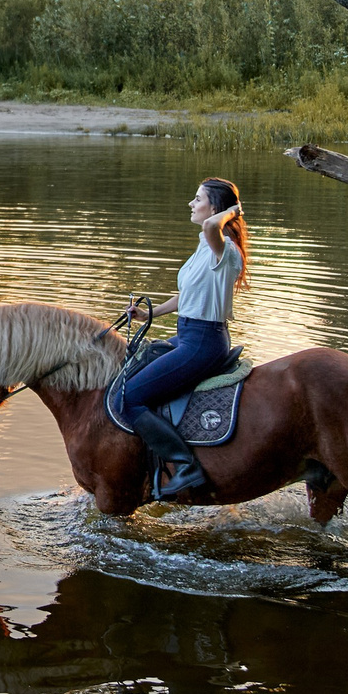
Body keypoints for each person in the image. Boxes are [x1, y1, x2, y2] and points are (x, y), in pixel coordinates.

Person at [117, 176, 250, 479]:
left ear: (215, 208)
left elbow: (210, 226)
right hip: (189, 335)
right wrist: (148, 313)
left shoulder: (225, 249)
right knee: (138, 360)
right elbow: (187, 295)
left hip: (203, 342)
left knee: (130, 399)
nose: (191, 203)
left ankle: (186, 466)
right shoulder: (205, 247)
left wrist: (234, 210)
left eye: (198, 198)